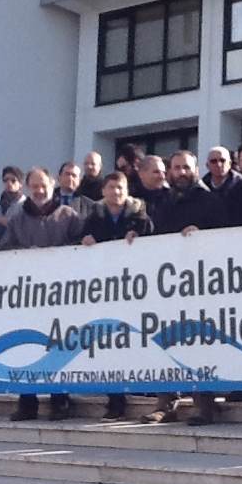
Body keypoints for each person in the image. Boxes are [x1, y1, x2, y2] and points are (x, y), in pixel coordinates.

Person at [142, 150, 226, 425]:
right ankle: (166, 402)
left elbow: (224, 235)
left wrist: (202, 236)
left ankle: (205, 404)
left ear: (195, 169)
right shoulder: (162, 201)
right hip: (168, 284)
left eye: (186, 167)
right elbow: (153, 234)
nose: (180, 172)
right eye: (176, 168)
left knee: (199, 341)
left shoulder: (209, 200)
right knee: (165, 340)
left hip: (200, 284)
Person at [1, 167, 86, 422]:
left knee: (59, 345)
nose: (39, 191)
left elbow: (81, 247)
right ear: (28, 188)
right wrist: (28, 254)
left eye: (43, 186)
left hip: (61, 294)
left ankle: (60, 400)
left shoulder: (69, 215)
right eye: (34, 186)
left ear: (52, 185)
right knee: (27, 347)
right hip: (29, 295)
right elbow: (5, 248)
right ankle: (27, 401)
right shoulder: (17, 219)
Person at [81, 172, 154, 422]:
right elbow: (81, 240)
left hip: (135, 288)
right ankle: (115, 400)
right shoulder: (94, 216)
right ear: (104, 191)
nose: (116, 192)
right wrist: (85, 240)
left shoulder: (139, 213)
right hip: (106, 290)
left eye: (120, 188)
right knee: (110, 343)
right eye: (111, 188)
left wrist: (139, 237)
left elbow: (154, 238)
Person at [131, 155, 169, 227]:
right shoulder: (130, 198)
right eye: (156, 172)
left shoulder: (171, 197)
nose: (162, 176)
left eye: (164, 173)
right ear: (141, 174)